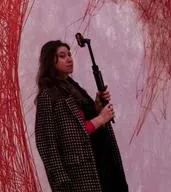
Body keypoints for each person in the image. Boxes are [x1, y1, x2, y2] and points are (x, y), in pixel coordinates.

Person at [34, 39, 128, 192]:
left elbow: (79, 120)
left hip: (102, 161)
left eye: (69, 54)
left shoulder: (71, 86)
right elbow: (47, 142)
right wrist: (101, 118)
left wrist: (97, 106)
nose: (69, 59)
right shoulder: (48, 95)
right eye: (63, 56)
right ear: (50, 61)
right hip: (80, 172)